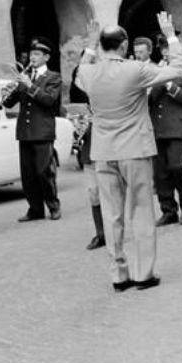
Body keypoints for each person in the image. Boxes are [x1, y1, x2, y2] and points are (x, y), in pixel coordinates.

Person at [76, 13, 182, 292]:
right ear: (124, 46)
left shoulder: (88, 72)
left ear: (102, 46)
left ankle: (119, 275)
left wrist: (90, 46)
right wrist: (170, 36)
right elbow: (178, 69)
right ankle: (143, 273)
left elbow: (80, 71)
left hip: (103, 151)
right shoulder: (135, 69)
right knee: (140, 211)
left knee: (112, 214)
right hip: (134, 149)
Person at [3, 37, 63, 222]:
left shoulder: (53, 77)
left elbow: (49, 101)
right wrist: (7, 94)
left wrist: (29, 85)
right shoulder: (26, 76)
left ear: (46, 57)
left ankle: (53, 205)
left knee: (44, 172)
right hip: (25, 131)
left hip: (42, 130)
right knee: (27, 174)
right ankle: (35, 209)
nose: (33, 57)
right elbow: (10, 102)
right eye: (31, 54)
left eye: (37, 54)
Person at [151, 36, 182, 227]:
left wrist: (169, 84)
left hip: (178, 125)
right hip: (158, 126)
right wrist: (157, 80)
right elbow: (151, 99)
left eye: (168, 48)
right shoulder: (155, 70)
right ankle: (168, 210)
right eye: (163, 49)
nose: (165, 52)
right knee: (160, 172)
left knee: (176, 167)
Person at [70, 55, 105, 250]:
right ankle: (101, 233)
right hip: (89, 149)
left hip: (108, 149)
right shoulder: (79, 91)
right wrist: (78, 123)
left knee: (112, 193)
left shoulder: (107, 87)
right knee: (93, 193)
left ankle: (116, 229)